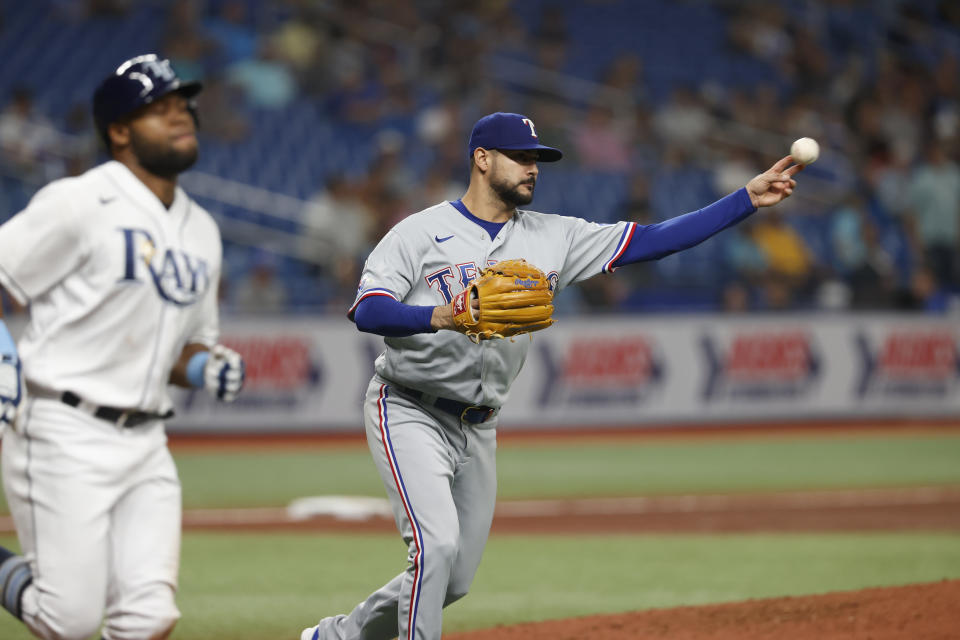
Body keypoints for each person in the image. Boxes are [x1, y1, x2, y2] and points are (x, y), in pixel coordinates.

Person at [299, 112, 802, 640]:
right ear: (482, 158)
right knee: (436, 548)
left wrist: (745, 198)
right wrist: (445, 315)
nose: (532, 169)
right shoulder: (420, 232)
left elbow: (655, 239)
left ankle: (336, 637)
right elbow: (368, 310)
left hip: (479, 426)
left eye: (537, 159)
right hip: (409, 407)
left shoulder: (554, 237)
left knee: (452, 580)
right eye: (521, 157)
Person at [0, 54, 245, 640]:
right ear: (119, 131)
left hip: (147, 441)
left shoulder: (203, 230)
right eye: (159, 109)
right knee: (68, 620)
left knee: (150, 617)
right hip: (62, 426)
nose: (181, 117)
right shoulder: (79, 201)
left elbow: (187, 350)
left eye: (183, 106)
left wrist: (205, 366)